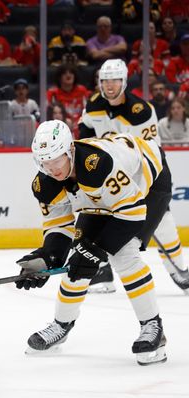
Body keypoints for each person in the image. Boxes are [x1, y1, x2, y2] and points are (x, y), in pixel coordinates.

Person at [16, 121, 168, 365]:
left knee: (124, 256)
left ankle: (153, 327)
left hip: (147, 183)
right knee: (81, 257)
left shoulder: (97, 165)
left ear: (70, 151)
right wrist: (46, 259)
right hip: (104, 197)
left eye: (57, 160)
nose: (52, 169)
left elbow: (132, 213)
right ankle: (61, 325)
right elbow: (58, 227)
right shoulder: (44, 183)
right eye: (45, 162)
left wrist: (95, 251)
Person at [79, 59, 189, 293]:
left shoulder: (141, 112)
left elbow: (152, 153)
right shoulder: (93, 105)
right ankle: (104, 273)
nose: (110, 86)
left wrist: (142, 189)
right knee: (100, 220)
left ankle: (180, 270)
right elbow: (85, 126)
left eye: (115, 80)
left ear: (125, 81)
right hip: (111, 177)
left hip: (145, 174)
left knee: (163, 224)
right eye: (105, 81)